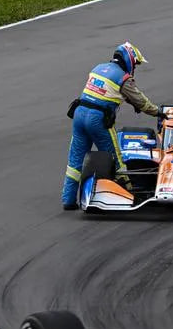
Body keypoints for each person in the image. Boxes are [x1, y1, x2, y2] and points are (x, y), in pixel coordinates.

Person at [61, 42, 160, 210]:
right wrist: (158, 112)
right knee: (115, 157)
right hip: (97, 119)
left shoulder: (98, 68)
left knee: (74, 161)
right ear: (129, 59)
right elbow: (140, 100)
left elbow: (107, 91)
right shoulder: (123, 77)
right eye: (135, 64)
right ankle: (130, 194)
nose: (134, 67)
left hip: (79, 114)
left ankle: (68, 200)